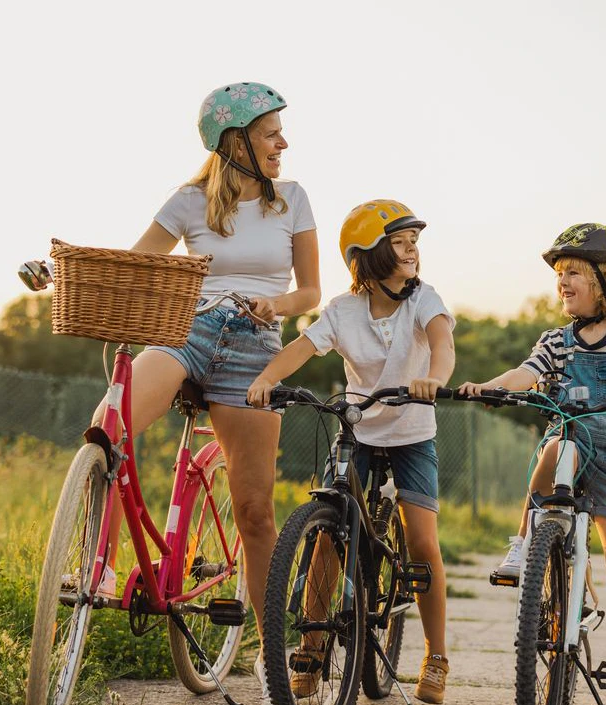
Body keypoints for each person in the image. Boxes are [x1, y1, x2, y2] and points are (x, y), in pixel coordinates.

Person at [98, 81, 320, 699]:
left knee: (254, 511)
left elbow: (310, 294)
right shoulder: (190, 200)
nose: (284, 142)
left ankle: (269, 651)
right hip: (186, 331)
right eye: (272, 132)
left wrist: (274, 303)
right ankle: (96, 562)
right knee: (107, 427)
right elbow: (138, 264)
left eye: (281, 132)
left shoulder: (292, 200)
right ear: (237, 140)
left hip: (253, 348)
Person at [247, 199, 455, 703]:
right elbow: (302, 346)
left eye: (415, 243)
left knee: (423, 541)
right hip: (358, 428)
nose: (412, 251)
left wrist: (434, 379)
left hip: (411, 431)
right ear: (370, 255)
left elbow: (442, 341)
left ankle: (436, 654)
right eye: (401, 243)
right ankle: (312, 648)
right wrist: (266, 379)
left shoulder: (423, 299)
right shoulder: (343, 310)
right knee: (327, 540)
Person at [459, 224, 606, 705]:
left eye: (573, 272)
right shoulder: (556, 341)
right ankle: (525, 544)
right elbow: (526, 373)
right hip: (569, 445)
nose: (563, 283)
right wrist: (490, 386)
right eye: (559, 275)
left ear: (605, 280)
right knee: (556, 446)